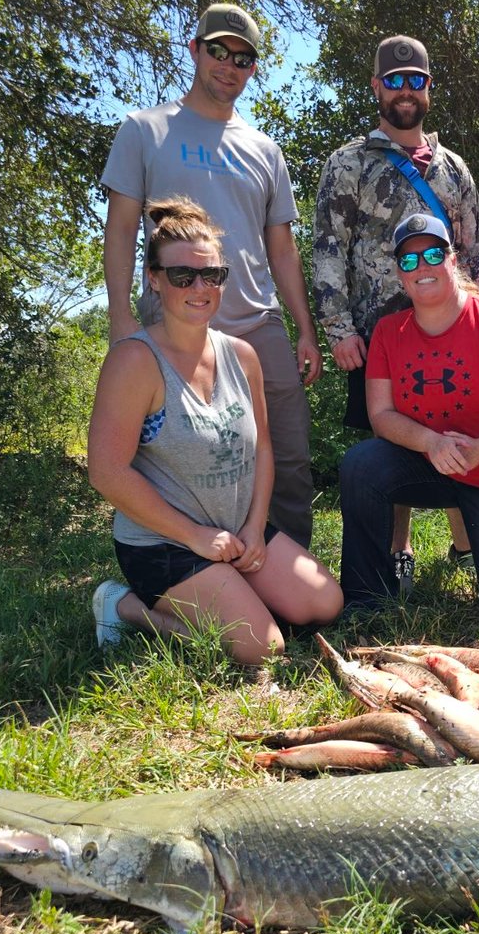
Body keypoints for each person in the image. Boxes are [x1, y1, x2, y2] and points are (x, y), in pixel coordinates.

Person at [101, 2, 319, 554]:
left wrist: (305, 329)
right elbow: (122, 228)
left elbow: (283, 249)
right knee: (175, 464)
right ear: (195, 50)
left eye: (243, 58)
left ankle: (282, 561)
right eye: (219, 51)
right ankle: (184, 569)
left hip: (255, 325)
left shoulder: (265, 150)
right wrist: (121, 316)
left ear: (253, 69)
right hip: (170, 328)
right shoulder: (144, 130)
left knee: (287, 453)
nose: (230, 65)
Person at [88, 197, 341, 666]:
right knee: (261, 649)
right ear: (155, 279)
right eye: (183, 276)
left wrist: (256, 529)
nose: (199, 287)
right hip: (165, 542)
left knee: (323, 604)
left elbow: (263, 448)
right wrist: (195, 537)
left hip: (237, 532)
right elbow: (106, 472)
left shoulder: (242, 355)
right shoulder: (134, 361)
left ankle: (231, 589)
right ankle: (125, 606)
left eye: (213, 275)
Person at [314, 35, 479, 594]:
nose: (404, 91)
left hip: (454, 327)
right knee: (391, 438)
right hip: (379, 338)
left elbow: (476, 248)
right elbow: (327, 248)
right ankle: (398, 552)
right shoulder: (349, 163)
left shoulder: (452, 168)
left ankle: (467, 542)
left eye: (414, 80)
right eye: (393, 80)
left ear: (428, 90)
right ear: (376, 87)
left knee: (460, 423)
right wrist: (339, 329)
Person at [339, 214, 479, 608]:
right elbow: (381, 415)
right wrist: (431, 442)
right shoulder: (389, 332)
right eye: (408, 261)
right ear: (399, 274)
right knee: (362, 463)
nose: (421, 267)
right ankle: (365, 598)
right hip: (432, 465)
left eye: (432, 254)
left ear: (453, 260)